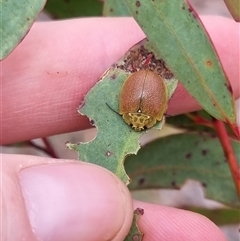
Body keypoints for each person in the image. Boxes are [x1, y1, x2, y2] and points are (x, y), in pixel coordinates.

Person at [1, 15, 239, 241]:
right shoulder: (144, 113)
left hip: (143, 84)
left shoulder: (134, 111)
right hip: (145, 85)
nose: (136, 125)